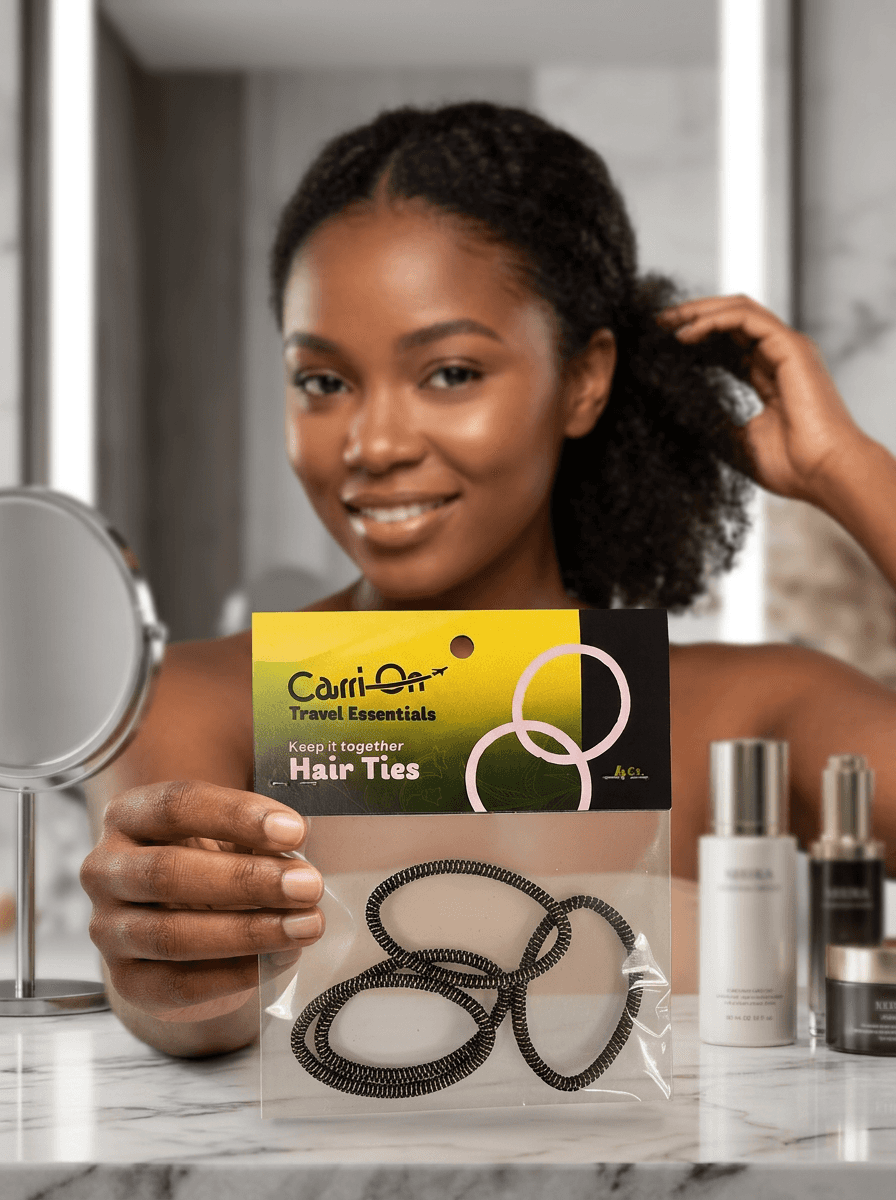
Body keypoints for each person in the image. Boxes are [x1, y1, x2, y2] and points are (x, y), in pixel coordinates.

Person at [81, 102, 896, 1057]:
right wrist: (161, 964)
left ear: (585, 379)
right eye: (323, 382)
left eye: (451, 373)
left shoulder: (755, 713)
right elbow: (188, 1012)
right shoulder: (199, 700)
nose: (373, 444)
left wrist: (849, 471)